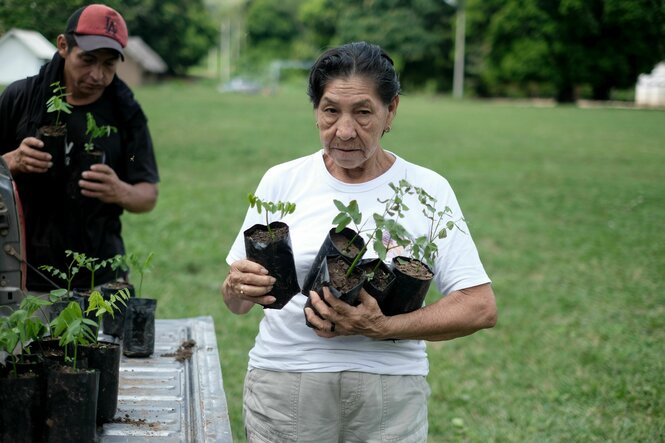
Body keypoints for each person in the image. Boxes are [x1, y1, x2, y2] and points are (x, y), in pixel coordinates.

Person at [222, 41, 497, 442]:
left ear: (392, 111)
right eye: (331, 110)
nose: (345, 131)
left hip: (388, 395)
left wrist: (381, 327)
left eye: (363, 112)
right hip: (287, 385)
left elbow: (479, 307)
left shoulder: (428, 191)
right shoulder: (282, 182)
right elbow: (238, 304)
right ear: (316, 110)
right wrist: (234, 287)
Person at [0, 4, 159, 291]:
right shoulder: (20, 98)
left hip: (100, 276)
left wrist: (119, 191)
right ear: (63, 46)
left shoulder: (125, 112)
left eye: (109, 64)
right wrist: (10, 161)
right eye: (87, 60)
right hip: (21, 271)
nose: (97, 75)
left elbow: (148, 195)